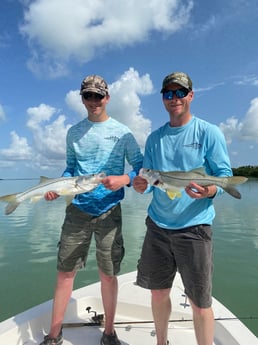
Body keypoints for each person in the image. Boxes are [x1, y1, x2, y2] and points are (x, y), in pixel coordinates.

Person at [40, 75, 143, 345]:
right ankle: (54, 334)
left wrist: (125, 179)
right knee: (64, 273)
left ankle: (109, 332)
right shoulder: (73, 132)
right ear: (82, 99)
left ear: (107, 98)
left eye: (98, 96)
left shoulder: (123, 132)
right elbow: (70, 169)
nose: (93, 101)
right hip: (77, 210)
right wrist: (58, 187)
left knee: (108, 275)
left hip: (110, 210)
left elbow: (141, 168)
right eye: (88, 96)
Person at [133, 72, 233, 345]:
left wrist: (210, 190)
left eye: (180, 93)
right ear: (163, 99)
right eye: (168, 94)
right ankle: (161, 342)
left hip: (195, 228)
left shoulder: (208, 132)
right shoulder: (154, 139)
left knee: (199, 301)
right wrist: (143, 185)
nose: (174, 98)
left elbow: (223, 176)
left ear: (191, 95)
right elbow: (152, 181)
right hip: (157, 227)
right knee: (157, 292)